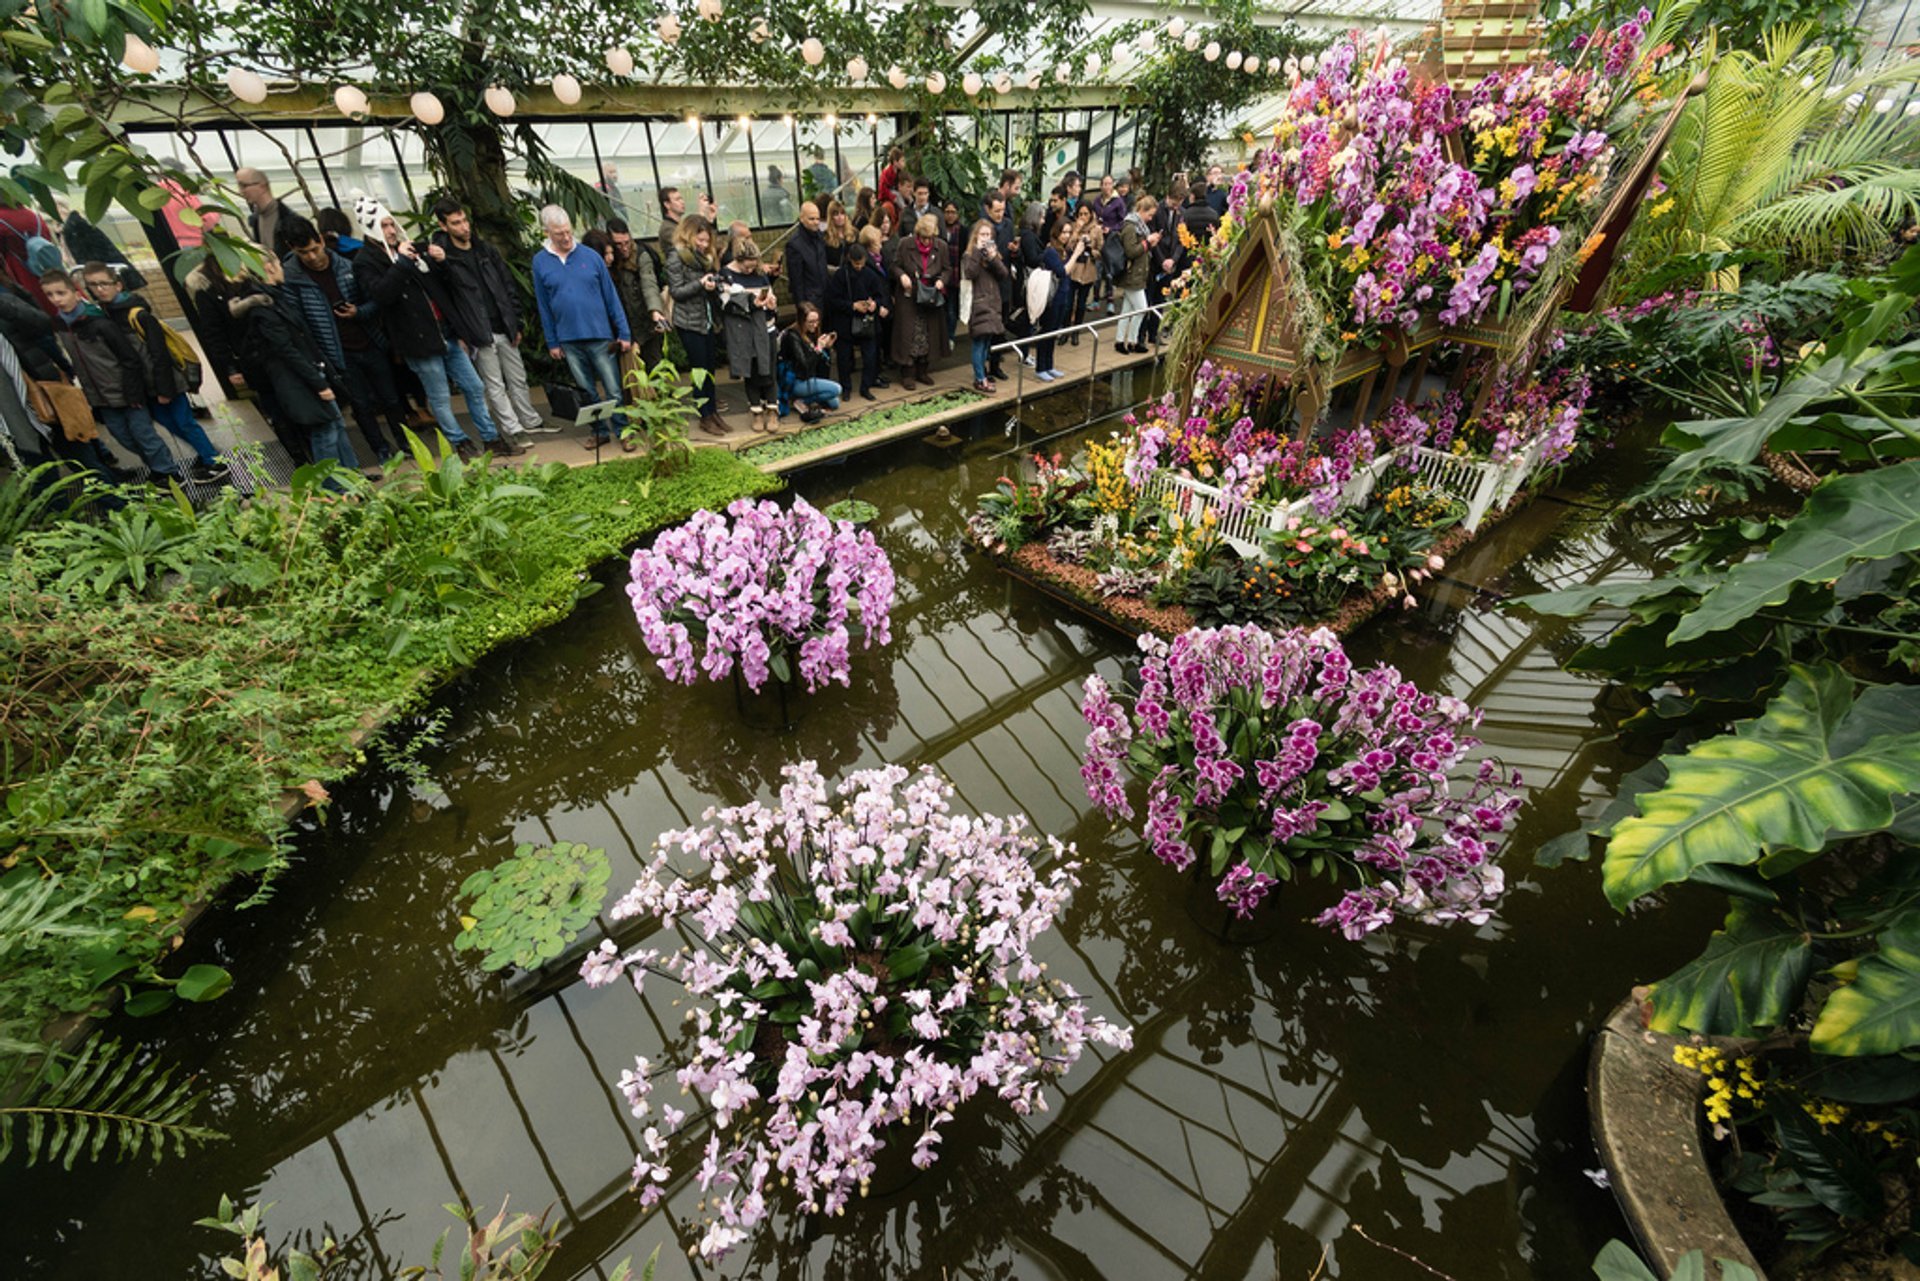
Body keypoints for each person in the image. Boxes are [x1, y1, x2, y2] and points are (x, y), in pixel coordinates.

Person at [354, 199, 516, 460]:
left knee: (474, 387)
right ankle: (460, 443)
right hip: (417, 341)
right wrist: (403, 264)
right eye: (384, 226)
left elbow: (443, 287)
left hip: (446, 333)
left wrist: (441, 262)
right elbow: (382, 295)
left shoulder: (411, 248)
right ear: (369, 227)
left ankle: (490, 437)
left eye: (392, 224)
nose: (392, 230)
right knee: (439, 397)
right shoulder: (366, 261)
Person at [211, 256, 363, 479]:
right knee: (324, 431)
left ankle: (353, 477)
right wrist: (318, 382)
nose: (282, 268)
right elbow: (287, 350)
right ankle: (331, 485)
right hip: (299, 378)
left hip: (310, 370)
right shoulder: (262, 309)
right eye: (278, 264)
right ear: (267, 268)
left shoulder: (274, 297)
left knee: (336, 424)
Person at [78, 262, 227, 482]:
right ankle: (205, 452)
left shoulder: (137, 314)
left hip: (165, 383)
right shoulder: (106, 315)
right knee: (170, 423)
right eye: (93, 285)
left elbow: (160, 355)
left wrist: (164, 388)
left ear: (118, 285)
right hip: (146, 385)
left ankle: (214, 460)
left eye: (104, 284)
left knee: (183, 421)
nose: (99, 289)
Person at [40, 269, 186, 483]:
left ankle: (169, 472)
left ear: (74, 291)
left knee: (144, 435)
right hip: (100, 396)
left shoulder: (98, 322)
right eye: (50, 295)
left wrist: (134, 392)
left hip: (126, 392)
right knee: (123, 438)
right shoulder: (61, 324)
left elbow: (129, 358)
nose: (56, 300)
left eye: (61, 293)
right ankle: (157, 467)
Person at [280, 219, 406, 462]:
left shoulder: (345, 264)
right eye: (303, 253)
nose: (312, 257)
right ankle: (381, 450)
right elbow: (301, 324)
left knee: (390, 398)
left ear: (320, 239)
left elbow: (374, 301)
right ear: (291, 249)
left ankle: (406, 443)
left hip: (368, 341)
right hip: (337, 353)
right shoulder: (292, 280)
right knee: (361, 406)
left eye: (314, 249)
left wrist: (358, 313)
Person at [433, 198, 551, 443]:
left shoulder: (484, 249)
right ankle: (513, 429)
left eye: (464, 220)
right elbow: (447, 297)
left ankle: (529, 420)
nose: (464, 227)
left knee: (517, 376)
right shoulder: (444, 258)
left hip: (503, 323)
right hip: (478, 330)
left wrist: (516, 321)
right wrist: (463, 333)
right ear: (443, 226)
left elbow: (507, 284)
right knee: (494, 383)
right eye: (456, 223)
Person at [531, 205, 630, 450]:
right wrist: (552, 341)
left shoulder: (590, 256)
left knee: (614, 388)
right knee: (586, 392)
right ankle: (599, 431)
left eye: (567, 231)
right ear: (547, 233)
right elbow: (543, 305)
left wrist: (623, 331)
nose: (566, 238)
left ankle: (622, 430)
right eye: (558, 234)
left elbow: (611, 297)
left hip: (599, 335)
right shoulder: (540, 262)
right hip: (568, 339)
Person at [665, 213, 728, 436]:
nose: (703, 244)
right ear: (688, 236)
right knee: (699, 371)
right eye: (699, 240)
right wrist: (700, 284)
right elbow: (677, 291)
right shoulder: (676, 257)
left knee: (710, 369)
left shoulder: (704, 258)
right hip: (689, 323)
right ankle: (704, 415)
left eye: (706, 241)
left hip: (706, 319)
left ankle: (712, 412)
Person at [717, 236, 780, 435]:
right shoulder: (726, 274)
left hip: (765, 328)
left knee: (768, 371)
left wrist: (771, 303)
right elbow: (726, 302)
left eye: (753, 266)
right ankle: (756, 411)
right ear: (738, 260)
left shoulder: (760, 273)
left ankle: (772, 410)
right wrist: (752, 302)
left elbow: (769, 294)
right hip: (743, 331)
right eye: (746, 267)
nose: (750, 271)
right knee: (750, 371)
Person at [890, 212, 950, 390]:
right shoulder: (904, 244)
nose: (926, 242)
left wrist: (941, 281)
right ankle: (907, 372)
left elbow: (948, 269)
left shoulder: (941, 247)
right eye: (923, 238)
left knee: (928, 333)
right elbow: (894, 266)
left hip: (930, 297)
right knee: (909, 333)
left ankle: (923, 370)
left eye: (929, 238)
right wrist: (902, 277)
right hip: (909, 296)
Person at [826, 241, 887, 402]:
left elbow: (880, 296)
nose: (859, 266)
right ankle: (846, 388)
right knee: (844, 358)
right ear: (849, 260)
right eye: (856, 263)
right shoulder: (840, 275)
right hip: (845, 322)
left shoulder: (870, 274)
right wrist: (853, 306)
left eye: (861, 263)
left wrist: (874, 304)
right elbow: (832, 300)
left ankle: (865, 386)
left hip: (866, 322)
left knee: (870, 357)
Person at [607, 216, 667, 370]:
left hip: (646, 325)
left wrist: (655, 311)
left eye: (627, 242)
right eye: (618, 244)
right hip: (623, 329)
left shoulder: (641, 255)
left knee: (655, 370)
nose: (624, 248)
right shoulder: (608, 261)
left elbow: (649, 284)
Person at [960, 219, 1008, 394]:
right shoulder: (969, 255)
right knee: (979, 343)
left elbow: (1004, 274)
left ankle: (981, 375)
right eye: (983, 234)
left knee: (987, 343)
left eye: (988, 235)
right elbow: (970, 272)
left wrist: (993, 257)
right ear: (976, 236)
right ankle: (980, 379)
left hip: (993, 304)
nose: (986, 238)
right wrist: (978, 252)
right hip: (979, 304)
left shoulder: (993, 254)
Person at [1031, 220, 1083, 382]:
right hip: (1052, 298)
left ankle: (1049, 365)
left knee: (1053, 332)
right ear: (1056, 233)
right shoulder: (1051, 252)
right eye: (1063, 232)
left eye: (1068, 232)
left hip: (1063, 295)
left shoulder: (1063, 251)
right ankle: (1041, 367)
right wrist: (1076, 254)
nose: (1066, 236)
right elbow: (1062, 271)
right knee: (1046, 331)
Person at [778, 302, 840, 422]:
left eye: (817, 321)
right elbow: (805, 365)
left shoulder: (811, 333)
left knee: (834, 403)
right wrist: (818, 349)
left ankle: (806, 399)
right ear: (802, 320)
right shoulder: (792, 335)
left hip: (810, 378)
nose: (815, 325)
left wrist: (827, 347)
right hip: (797, 380)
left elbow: (821, 366)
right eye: (811, 322)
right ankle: (800, 400)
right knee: (836, 389)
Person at [1115, 193, 1159, 354]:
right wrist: (1148, 242)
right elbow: (1131, 251)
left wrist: (1149, 243)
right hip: (1132, 274)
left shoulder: (1138, 226)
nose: (1150, 218)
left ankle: (1121, 341)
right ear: (1141, 210)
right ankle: (1131, 340)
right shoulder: (1130, 227)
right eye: (1150, 214)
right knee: (1141, 309)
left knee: (1127, 309)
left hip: (1137, 273)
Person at [983, 193, 1018, 380]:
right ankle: (982, 369)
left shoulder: (1008, 225)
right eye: (996, 211)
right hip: (987, 284)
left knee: (1000, 326)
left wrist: (1013, 250)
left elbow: (1011, 252)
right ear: (988, 209)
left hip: (1003, 283)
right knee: (986, 328)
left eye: (1002, 210)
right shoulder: (982, 227)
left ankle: (995, 365)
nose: (999, 214)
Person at [235, 167, 303, 256]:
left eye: (244, 186)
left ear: (262, 186)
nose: (240, 191)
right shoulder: (256, 219)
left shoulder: (290, 221)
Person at [1064, 205, 1102, 342]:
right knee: (1068, 303)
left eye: (1086, 214)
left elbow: (1100, 252)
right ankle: (1065, 331)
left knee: (1081, 304)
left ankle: (1076, 332)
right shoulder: (1073, 227)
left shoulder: (1096, 229)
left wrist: (1091, 248)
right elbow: (1067, 246)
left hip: (1088, 269)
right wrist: (1076, 232)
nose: (1083, 217)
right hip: (1074, 268)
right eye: (1080, 214)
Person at [786, 201, 829, 323]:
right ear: (802, 218)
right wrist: (802, 306)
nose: (816, 222)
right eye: (811, 219)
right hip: (810, 301)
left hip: (825, 296)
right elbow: (796, 280)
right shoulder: (794, 244)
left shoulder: (819, 237)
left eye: (818, 218)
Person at [823, 199, 855, 268]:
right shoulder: (825, 236)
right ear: (831, 217)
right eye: (836, 214)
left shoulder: (854, 233)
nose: (840, 217)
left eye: (842, 213)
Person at [877, 145, 906, 210]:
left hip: (892, 191)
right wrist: (892, 197)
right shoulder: (887, 171)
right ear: (895, 162)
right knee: (898, 195)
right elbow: (882, 187)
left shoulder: (897, 171)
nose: (904, 163)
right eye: (902, 161)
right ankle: (904, 208)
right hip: (886, 193)